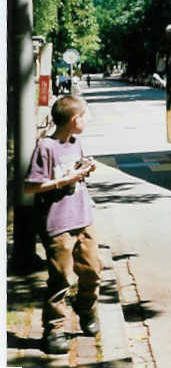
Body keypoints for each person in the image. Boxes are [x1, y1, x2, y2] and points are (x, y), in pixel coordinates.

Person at [24, 95, 101, 355]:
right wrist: (64, 181)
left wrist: (84, 170)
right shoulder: (46, 148)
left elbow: (75, 174)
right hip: (58, 223)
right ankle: (54, 329)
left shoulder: (76, 142)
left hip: (83, 217)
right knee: (61, 279)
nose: (89, 119)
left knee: (92, 270)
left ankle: (87, 309)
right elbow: (31, 186)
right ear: (74, 119)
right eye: (86, 115)